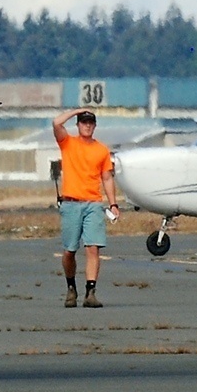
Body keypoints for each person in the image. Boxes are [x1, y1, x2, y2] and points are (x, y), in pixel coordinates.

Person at [52, 108, 120, 308]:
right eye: (83, 122)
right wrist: (77, 111)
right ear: (78, 125)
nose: (87, 126)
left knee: (93, 248)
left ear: (95, 126)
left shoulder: (101, 150)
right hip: (71, 202)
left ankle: (91, 292)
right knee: (69, 251)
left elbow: (107, 178)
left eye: (90, 122)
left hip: (93, 203)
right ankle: (71, 287)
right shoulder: (68, 143)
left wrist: (113, 203)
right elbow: (56, 123)